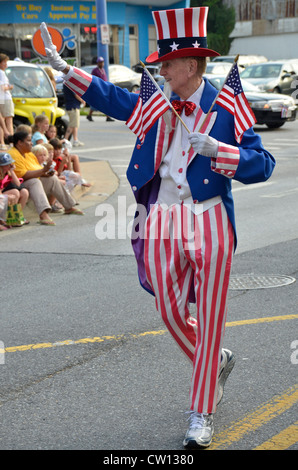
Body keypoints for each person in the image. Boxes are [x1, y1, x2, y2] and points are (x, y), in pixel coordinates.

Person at [40, 6, 275, 449]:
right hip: (162, 220)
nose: (160, 68)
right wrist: (68, 70)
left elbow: (263, 165)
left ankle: (201, 412)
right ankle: (216, 360)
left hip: (210, 220)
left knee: (209, 320)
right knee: (168, 311)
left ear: (190, 65)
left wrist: (221, 151)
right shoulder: (157, 103)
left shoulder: (227, 107)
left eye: (167, 62)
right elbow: (113, 99)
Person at [9, 130, 84, 225]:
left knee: (52, 178)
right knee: (34, 182)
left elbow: (38, 169)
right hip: (19, 185)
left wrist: (46, 173)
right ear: (19, 142)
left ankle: (69, 207)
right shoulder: (13, 154)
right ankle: (43, 214)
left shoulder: (28, 153)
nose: (31, 143)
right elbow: (24, 175)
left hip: (31, 183)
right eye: (28, 140)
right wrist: (43, 171)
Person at [0, 152, 29, 227]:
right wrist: (7, 197)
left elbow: (18, 184)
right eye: (6, 165)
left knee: (24, 192)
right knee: (15, 192)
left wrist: (12, 171)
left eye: (9, 164)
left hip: (4, 191)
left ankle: (17, 217)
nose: (9, 166)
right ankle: (8, 219)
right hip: (1, 193)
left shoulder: (7, 172)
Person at [86, 57, 114, 122]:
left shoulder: (103, 70)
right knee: (102, 103)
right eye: (100, 62)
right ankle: (107, 117)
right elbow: (93, 80)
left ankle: (90, 115)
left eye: (102, 62)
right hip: (98, 90)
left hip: (104, 89)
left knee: (103, 103)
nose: (101, 63)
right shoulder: (95, 70)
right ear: (97, 63)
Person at [0, 53, 14, 136]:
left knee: (2, 122)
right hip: (5, 98)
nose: (6, 64)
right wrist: (9, 87)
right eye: (4, 62)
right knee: (9, 121)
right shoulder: (1, 73)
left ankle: (2, 142)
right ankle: (11, 140)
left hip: (1, 98)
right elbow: (3, 87)